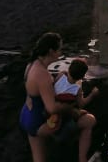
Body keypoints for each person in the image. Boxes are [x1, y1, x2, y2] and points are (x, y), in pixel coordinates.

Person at [19, 32, 96, 162]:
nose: (61, 52)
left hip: (27, 115)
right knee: (89, 121)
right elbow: (52, 108)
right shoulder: (42, 74)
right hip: (41, 122)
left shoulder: (32, 64)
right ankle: (81, 158)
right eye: (59, 49)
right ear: (51, 51)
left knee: (39, 158)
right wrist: (71, 109)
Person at [45, 58, 100, 131]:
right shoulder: (77, 89)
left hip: (52, 104)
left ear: (69, 69)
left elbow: (54, 86)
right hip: (65, 111)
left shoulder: (61, 75)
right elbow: (81, 104)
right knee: (80, 111)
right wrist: (92, 94)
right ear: (82, 77)